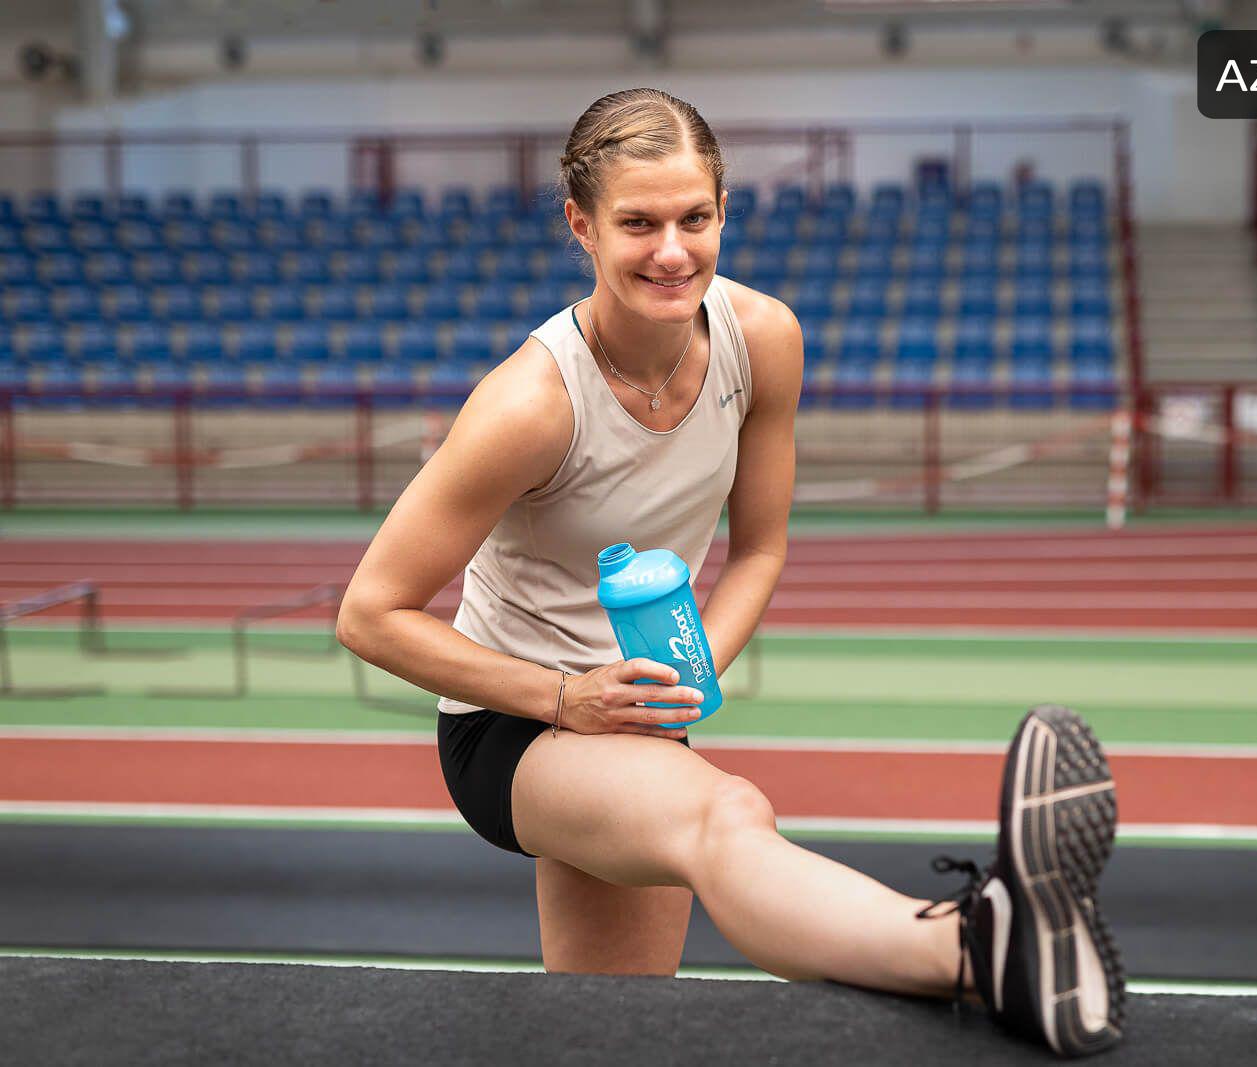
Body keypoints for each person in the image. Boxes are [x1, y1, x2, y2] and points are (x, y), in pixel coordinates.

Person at [336, 87, 1124, 1058]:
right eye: (638, 223)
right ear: (581, 224)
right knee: (726, 813)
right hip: (517, 723)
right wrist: (567, 696)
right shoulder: (530, 405)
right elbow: (370, 613)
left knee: (614, 1024)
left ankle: (989, 948)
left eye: (694, 217)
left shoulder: (764, 340)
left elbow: (758, 549)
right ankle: (977, 946)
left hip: (633, 712)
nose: (672, 250)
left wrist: (689, 671)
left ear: (723, 211)